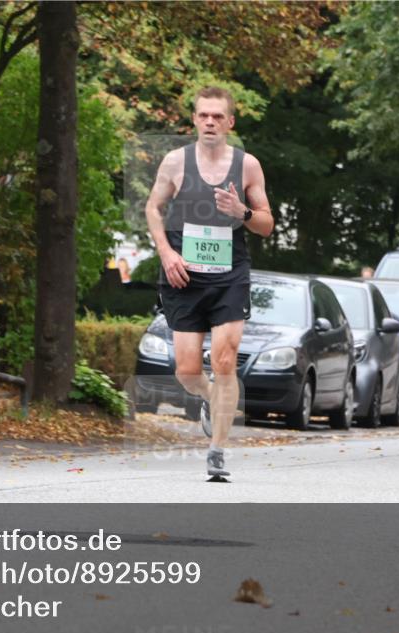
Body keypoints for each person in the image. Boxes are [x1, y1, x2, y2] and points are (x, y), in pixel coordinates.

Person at [144, 86, 274, 480]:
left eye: (218, 116)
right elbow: (153, 207)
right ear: (195, 120)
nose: (210, 122)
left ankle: (217, 449)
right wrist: (167, 254)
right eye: (204, 115)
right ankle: (207, 399)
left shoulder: (248, 165)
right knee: (186, 370)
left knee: (224, 360)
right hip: (184, 274)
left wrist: (243, 210)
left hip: (230, 276)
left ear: (230, 122)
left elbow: (266, 225)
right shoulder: (175, 162)